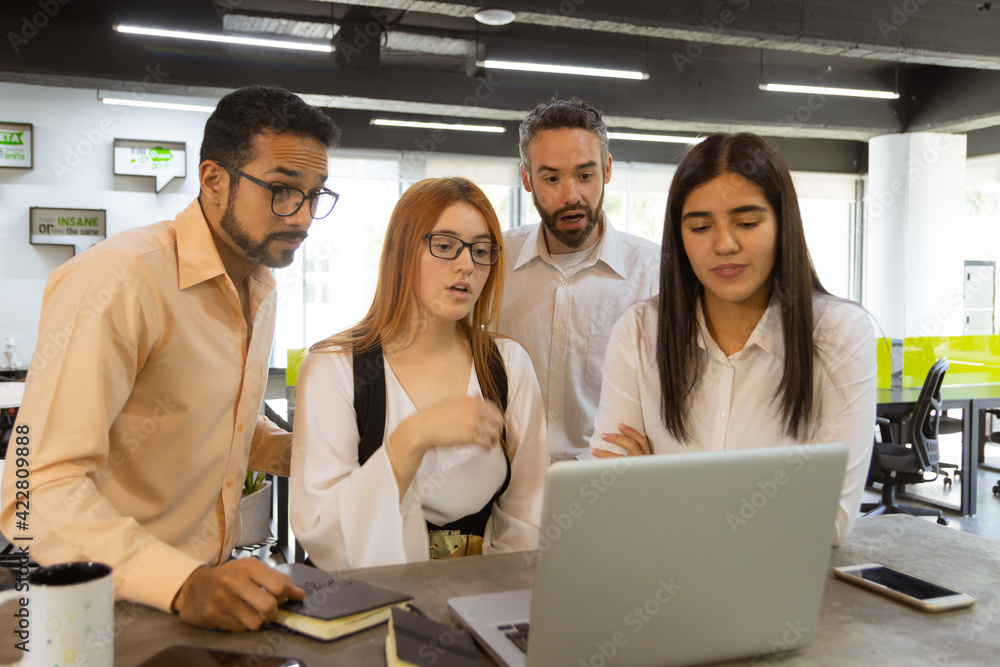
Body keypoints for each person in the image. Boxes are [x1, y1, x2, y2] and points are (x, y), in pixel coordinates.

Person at [0, 85, 341, 630]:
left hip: (203, 601)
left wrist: (327, 453)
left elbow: (221, 423)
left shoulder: (258, 284)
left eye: (315, 195)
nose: (301, 217)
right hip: (104, 607)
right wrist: (181, 582)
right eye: (282, 190)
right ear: (213, 181)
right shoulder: (120, 280)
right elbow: (35, 489)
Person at [590, 132, 875, 545]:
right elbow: (610, 491)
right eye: (701, 226)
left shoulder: (837, 333)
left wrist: (656, 489)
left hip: (782, 594)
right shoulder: (639, 331)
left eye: (747, 222)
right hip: (657, 586)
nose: (724, 244)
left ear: (782, 223)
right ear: (679, 235)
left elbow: (827, 521)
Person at [291, 177, 548, 570]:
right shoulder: (334, 366)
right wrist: (411, 439)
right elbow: (324, 529)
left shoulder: (508, 364)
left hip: (481, 592)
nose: (467, 265)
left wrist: (488, 592)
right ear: (401, 251)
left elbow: (529, 513)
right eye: (445, 246)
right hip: (363, 601)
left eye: (481, 251)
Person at [498, 97, 660, 462]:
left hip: (609, 490)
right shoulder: (493, 263)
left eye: (585, 175)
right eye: (552, 178)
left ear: (607, 170)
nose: (570, 196)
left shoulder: (655, 275)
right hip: (505, 490)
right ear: (526, 178)